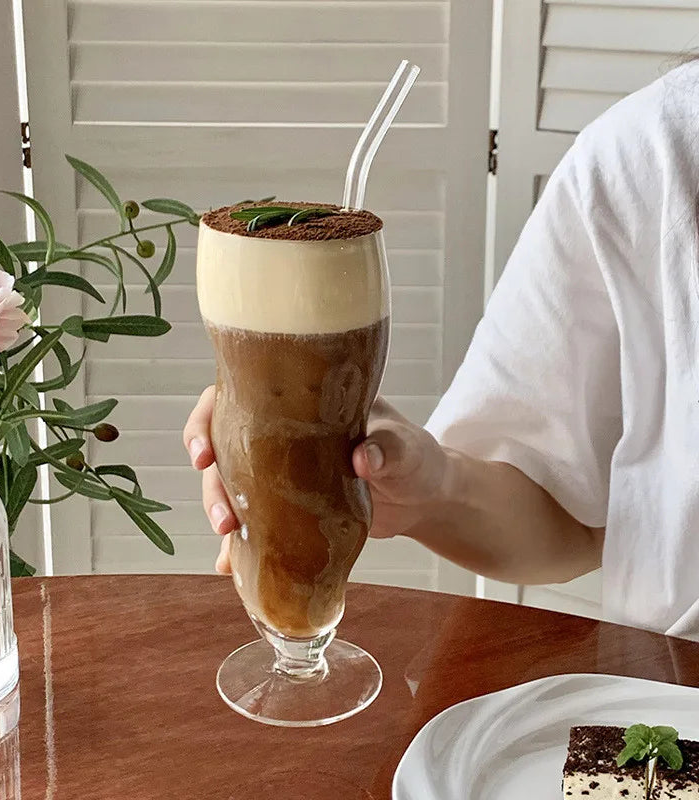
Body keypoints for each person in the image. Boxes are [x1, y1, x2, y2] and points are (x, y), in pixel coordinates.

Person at [183, 61, 699, 641]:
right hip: (674, 701)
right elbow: (568, 519)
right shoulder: (657, 149)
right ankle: (290, 640)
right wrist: (434, 491)